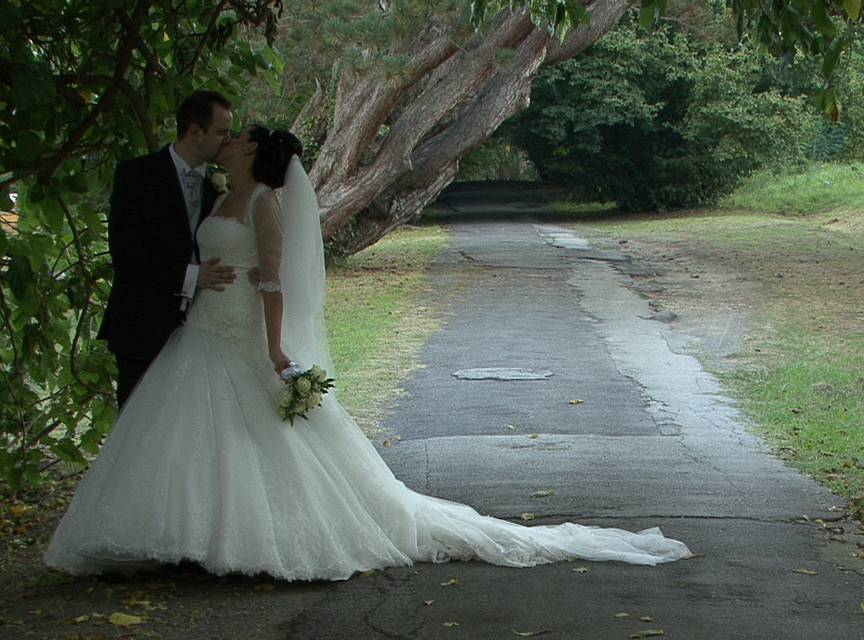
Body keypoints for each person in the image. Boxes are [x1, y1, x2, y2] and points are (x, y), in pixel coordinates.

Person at [45, 126, 691, 581]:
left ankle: (248, 541)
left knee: (252, 440)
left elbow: (272, 279)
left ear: (255, 152)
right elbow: (213, 257)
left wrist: (274, 349)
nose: (229, 141)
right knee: (187, 438)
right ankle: (178, 539)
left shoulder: (266, 203)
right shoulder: (222, 196)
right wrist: (198, 281)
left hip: (242, 334)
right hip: (201, 330)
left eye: (237, 137)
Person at [98, 90, 238, 408]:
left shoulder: (216, 188)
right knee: (138, 425)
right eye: (222, 132)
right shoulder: (136, 176)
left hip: (201, 330)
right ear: (194, 131)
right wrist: (191, 277)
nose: (228, 141)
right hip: (141, 325)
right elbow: (125, 252)